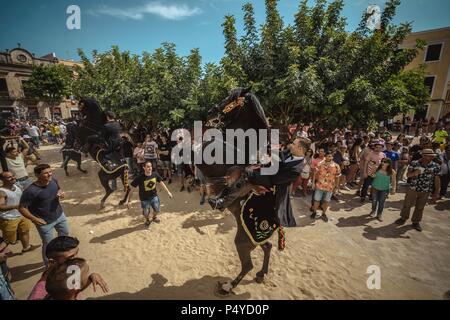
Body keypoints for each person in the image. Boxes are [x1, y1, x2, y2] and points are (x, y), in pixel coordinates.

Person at [18, 164, 70, 265]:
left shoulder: (53, 181)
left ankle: (61, 257)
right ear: (37, 175)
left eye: (50, 171)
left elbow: (58, 189)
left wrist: (61, 193)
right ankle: (48, 265)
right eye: (46, 173)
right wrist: (34, 219)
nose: (49, 174)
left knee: (64, 235)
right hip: (45, 222)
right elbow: (22, 208)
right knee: (48, 245)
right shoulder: (30, 191)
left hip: (60, 216)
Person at [28, 236, 108, 300]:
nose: (76, 259)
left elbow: (73, 291)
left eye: (76, 253)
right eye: (70, 257)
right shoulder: (40, 290)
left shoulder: (66, 275)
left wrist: (90, 278)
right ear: (52, 262)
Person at [395, 149, 441, 232]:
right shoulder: (414, 163)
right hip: (413, 188)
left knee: (420, 207)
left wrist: (436, 193)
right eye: (428, 156)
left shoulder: (436, 166)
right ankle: (403, 218)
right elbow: (408, 175)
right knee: (407, 204)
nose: (430, 157)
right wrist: (415, 173)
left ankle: (416, 222)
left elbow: (437, 179)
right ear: (423, 155)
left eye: (431, 156)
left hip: (426, 190)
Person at [0, 172, 40, 253]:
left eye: (13, 176)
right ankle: (2, 253)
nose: (13, 178)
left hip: (22, 214)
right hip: (9, 218)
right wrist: (16, 206)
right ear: (2, 180)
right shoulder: (2, 192)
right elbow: (1, 207)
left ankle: (26, 247)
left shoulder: (16, 186)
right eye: (9, 177)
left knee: (24, 231)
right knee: (8, 239)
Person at [127, 161, 173, 227]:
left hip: (154, 196)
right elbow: (132, 189)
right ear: (144, 168)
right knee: (146, 212)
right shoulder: (139, 177)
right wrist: (129, 200)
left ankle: (154, 217)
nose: (150, 168)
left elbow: (161, 183)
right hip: (144, 198)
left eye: (150, 166)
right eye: (148, 167)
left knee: (157, 209)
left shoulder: (155, 174)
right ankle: (147, 220)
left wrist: (168, 192)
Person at [311, 151, 341, 222]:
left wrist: (336, 187)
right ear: (325, 156)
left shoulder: (336, 166)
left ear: (332, 157)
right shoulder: (320, 164)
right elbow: (315, 173)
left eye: (330, 156)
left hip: (330, 187)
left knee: (327, 201)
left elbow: (337, 177)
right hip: (319, 186)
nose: (329, 157)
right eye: (328, 156)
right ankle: (314, 212)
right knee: (316, 200)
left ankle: (324, 213)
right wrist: (313, 183)